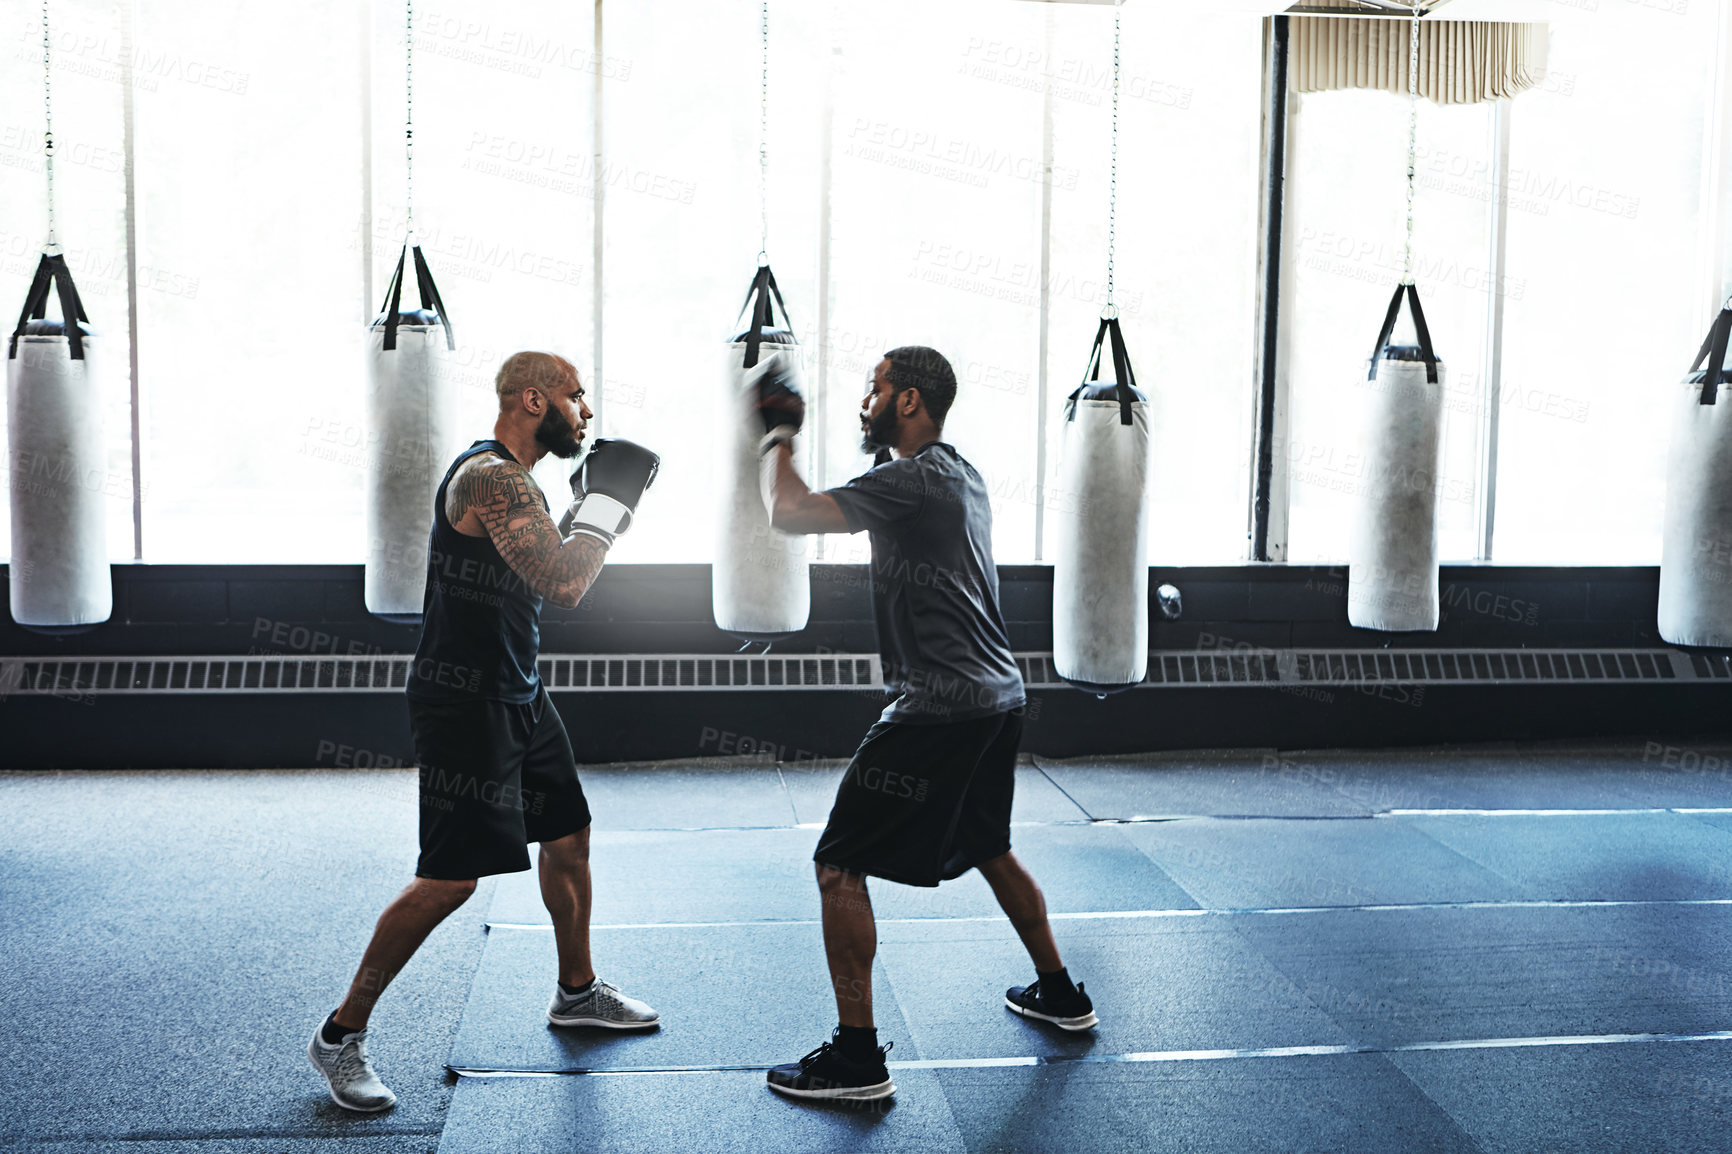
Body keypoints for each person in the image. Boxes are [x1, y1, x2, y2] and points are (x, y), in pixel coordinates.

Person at [308, 352, 662, 1112]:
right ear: (535, 399)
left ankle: (576, 991)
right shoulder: (489, 477)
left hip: (520, 694)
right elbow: (566, 580)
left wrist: (587, 507)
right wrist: (607, 504)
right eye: (577, 397)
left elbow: (544, 561)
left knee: (568, 836)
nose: (587, 413)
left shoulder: (521, 482)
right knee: (449, 881)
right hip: (463, 707)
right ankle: (341, 1035)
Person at [755, 345, 1098, 1103]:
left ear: (909, 401)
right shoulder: (961, 474)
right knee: (987, 845)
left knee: (839, 864)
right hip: (999, 698)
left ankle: (856, 1059)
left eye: (874, 389)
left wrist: (777, 436)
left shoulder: (907, 480)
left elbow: (790, 514)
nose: (864, 402)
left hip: (939, 708)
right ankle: (1061, 993)